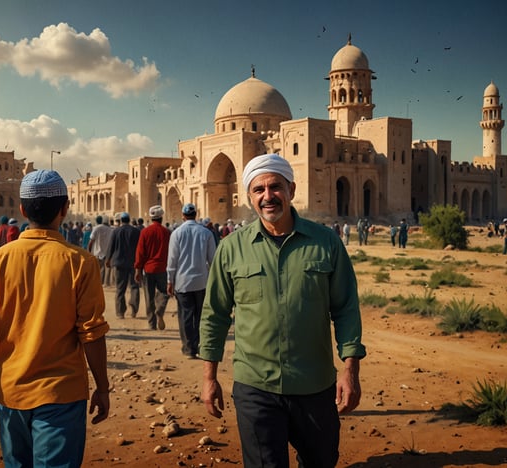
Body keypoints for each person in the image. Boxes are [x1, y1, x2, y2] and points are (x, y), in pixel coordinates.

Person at [199, 153, 366, 467]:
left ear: (290, 188)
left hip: (314, 385)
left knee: (321, 461)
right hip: (255, 387)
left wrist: (350, 371)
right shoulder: (231, 248)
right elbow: (215, 315)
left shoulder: (326, 243)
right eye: (258, 190)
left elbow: (345, 308)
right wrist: (209, 378)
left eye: (274, 186)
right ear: (248, 196)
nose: (267, 196)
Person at [0, 169, 110, 467]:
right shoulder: (81, 262)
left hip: (10, 391)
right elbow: (91, 333)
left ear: (23, 209)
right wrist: (102, 388)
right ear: (64, 209)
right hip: (61, 394)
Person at [167, 204, 216, 359]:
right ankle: (201, 345)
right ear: (196, 214)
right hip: (201, 281)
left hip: (182, 282)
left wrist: (170, 281)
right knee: (201, 315)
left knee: (186, 315)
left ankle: (189, 348)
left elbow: (172, 260)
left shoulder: (176, 234)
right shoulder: (206, 233)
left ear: (183, 215)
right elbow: (212, 260)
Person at [135, 205, 170, 330]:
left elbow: (140, 252)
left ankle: (151, 324)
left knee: (149, 297)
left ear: (150, 218)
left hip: (148, 269)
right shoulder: (167, 232)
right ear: (161, 217)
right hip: (162, 268)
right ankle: (160, 310)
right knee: (164, 292)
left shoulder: (145, 232)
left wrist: (137, 269)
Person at [106, 212, 141, 318]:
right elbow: (139, 248)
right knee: (134, 287)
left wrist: (108, 259)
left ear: (121, 221)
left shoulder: (116, 231)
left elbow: (111, 247)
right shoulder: (135, 231)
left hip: (119, 263)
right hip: (133, 263)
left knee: (120, 289)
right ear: (129, 220)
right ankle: (134, 310)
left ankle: (120, 312)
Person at [88, 216, 114, 287]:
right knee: (105, 270)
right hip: (107, 253)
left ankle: (97, 285)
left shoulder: (96, 228)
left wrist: (89, 251)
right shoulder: (111, 230)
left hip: (97, 253)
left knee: (97, 271)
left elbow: (91, 241)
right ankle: (104, 284)